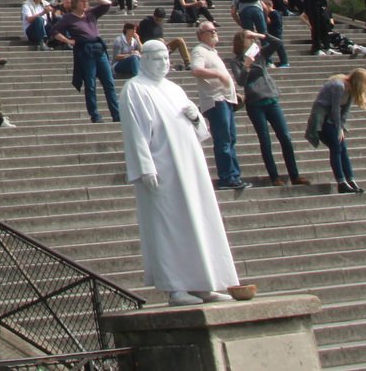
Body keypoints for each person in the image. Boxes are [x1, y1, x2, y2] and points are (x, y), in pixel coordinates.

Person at [120, 40, 239, 304]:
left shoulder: (174, 89)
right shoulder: (135, 88)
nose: (163, 63)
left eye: (166, 58)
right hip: (163, 167)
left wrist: (196, 118)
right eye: (157, 59)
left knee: (198, 221)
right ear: (144, 60)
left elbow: (199, 132)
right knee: (168, 224)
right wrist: (144, 167)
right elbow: (135, 132)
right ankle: (176, 287)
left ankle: (203, 282)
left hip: (189, 164)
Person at [232, 28, 304, 186]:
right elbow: (241, 81)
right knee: (265, 140)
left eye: (251, 37)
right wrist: (246, 66)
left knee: (285, 137)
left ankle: (294, 175)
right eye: (248, 37)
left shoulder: (260, 54)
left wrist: (260, 35)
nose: (251, 39)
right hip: (255, 103)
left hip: (270, 99)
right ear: (240, 41)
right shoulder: (236, 61)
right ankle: (274, 177)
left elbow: (277, 43)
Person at [189, 20, 248, 192]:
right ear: (201, 35)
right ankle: (227, 177)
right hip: (216, 100)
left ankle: (234, 176)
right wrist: (218, 74)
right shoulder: (199, 50)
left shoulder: (212, 52)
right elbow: (196, 70)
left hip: (226, 100)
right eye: (210, 31)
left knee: (230, 139)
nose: (214, 32)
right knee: (223, 140)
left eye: (215, 30)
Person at [48, 0, 122, 124]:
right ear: (75, 3)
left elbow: (107, 4)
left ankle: (116, 114)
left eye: (86, 1)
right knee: (90, 84)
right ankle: (95, 115)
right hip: (85, 51)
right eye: (82, 1)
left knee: (109, 82)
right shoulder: (68, 18)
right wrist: (68, 41)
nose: (85, 3)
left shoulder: (90, 14)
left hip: (99, 49)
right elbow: (53, 31)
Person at [306, 68, 366, 193]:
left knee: (343, 148)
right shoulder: (339, 85)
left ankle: (350, 180)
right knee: (336, 146)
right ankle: (341, 182)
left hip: (333, 119)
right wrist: (338, 128)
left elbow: (345, 111)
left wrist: (341, 126)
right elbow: (335, 109)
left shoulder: (351, 90)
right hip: (322, 116)